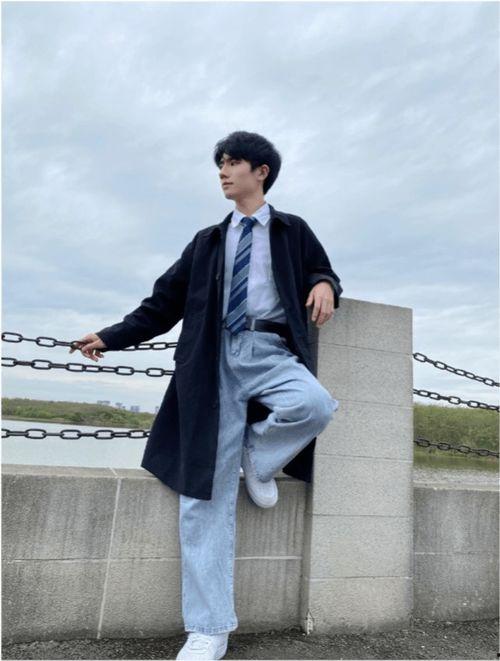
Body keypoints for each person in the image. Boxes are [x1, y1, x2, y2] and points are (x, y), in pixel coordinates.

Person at [70, 131, 342, 660]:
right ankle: (209, 629)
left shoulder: (292, 229)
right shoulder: (207, 242)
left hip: (269, 350)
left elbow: (320, 268)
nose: (222, 171)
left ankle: (257, 456)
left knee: (313, 405)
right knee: (204, 500)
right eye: (220, 163)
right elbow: (161, 304)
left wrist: (326, 284)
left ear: (261, 172)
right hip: (211, 361)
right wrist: (110, 336)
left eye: (233, 162)